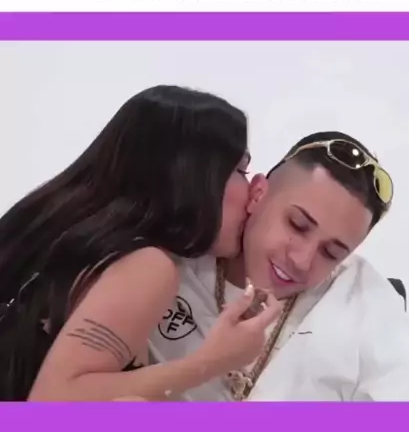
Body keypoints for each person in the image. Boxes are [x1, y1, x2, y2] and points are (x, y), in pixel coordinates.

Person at [0, 85, 280, 402]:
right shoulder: (148, 265)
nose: (252, 194)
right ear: (195, 174)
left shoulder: (53, 223)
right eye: (242, 170)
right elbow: (53, 402)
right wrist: (210, 362)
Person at [147, 131, 409, 401]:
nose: (302, 261)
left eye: (331, 252)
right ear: (258, 193)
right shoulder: (177, 253)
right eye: (298, 225)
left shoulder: (363, 300)